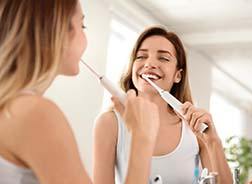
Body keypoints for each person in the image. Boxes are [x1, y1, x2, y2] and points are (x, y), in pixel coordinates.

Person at [0, 1, 160, 184]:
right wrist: (143, 139)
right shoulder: (35, 113)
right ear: (57, 30)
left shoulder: (13, 105)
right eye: (82, 25)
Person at [93, 26, 233, 184]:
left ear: (178, 75)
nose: (150, 63)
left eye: (163, 58)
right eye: (141, 56)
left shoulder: (194, 127)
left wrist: (213, 140)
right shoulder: (109, 123)